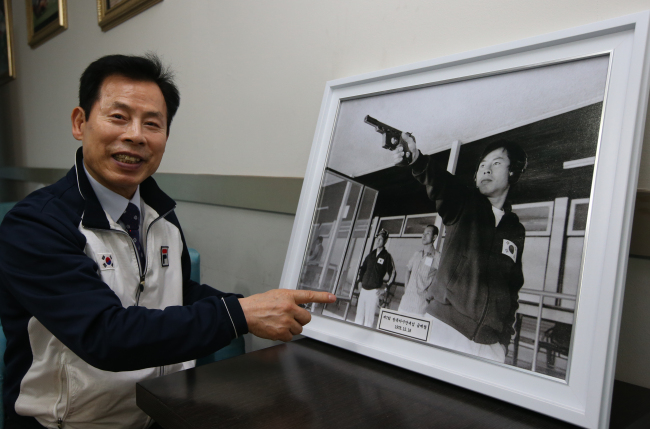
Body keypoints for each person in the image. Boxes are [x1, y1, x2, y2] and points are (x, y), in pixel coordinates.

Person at [0, 54, 335, 429]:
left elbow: (176, 291)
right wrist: (241, 315)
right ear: (81, 123)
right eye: (118, 117)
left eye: (152, 124)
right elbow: (104, 335)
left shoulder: (158, 212)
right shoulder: (34, 226)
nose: (136, 135)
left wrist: (254, 307)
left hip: (159, 410)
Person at [392, 135, 527, 363]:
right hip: (446, 330)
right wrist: (416, 160)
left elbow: (512, 290)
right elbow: (441, 184)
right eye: (482, 165)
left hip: (490, 346)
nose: (486, 170)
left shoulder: (516, 230)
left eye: (495, 163)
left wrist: (503, 342)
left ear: (512, 172)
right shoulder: (464, 203)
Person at [354, 229, 396, 328]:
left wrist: (385, 288)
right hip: (363, 290)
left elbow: (393, 273)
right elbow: (362, 268)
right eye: (377, 238)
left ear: (385, 241)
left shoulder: (387, 257)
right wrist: (359, 282)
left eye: (381, 239)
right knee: (358, 317)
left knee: (368, 320)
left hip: (374, 292)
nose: (378, 241)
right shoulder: (371, 255)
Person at [397, 225, 440, 317]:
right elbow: (408, 269)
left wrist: (430, 294)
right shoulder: (417, 254)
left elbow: (441, 279)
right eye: (423, 233)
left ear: (434, 237)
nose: (423, 236)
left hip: (420, 306)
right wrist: (406, 288)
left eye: (427, 233)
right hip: (405, 303)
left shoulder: (437, 257)